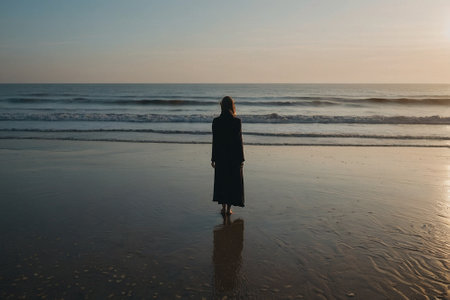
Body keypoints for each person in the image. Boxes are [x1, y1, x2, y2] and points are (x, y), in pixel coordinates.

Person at [211, 96, 245, 215]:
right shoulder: (237, 121)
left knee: (222, 181)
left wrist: (213, 158)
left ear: (221, 106)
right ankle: (228, 209)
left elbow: (215, 141)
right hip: (233, 156)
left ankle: (223, 208)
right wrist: (241, 159)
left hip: (221, 156)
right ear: (232, 106)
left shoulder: (216, 121)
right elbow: (239, 142)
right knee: (232, 182)